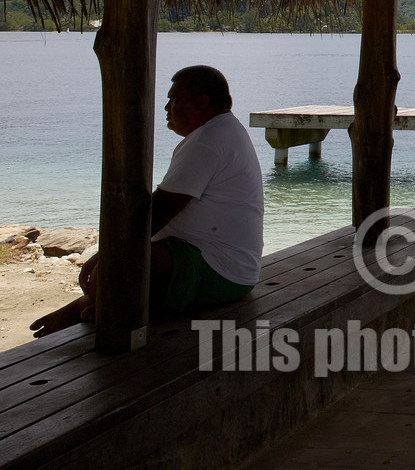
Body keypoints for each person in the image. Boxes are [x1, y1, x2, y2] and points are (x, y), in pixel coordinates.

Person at [32, 65, 263, 337]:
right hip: (229, 270)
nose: (166, 107)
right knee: (119, 269)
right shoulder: (222, 132)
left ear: (202, 101)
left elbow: (157, 213)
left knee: (123, 263)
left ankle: (91, 309)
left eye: (174, 99)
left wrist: (106, 255)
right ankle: (92, 307)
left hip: (219, 272)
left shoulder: (208, 140)